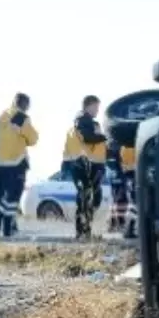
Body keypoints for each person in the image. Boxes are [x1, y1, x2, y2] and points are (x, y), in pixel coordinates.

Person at [0, 93, 38, 238]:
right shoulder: (22, 118)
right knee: (14, 196)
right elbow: (33, 139)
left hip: (1, 161)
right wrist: (24, 134)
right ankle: (6, 227)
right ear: (25, 104)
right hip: (16, 161)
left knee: (8, 194)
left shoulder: (3, 115)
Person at [64, 95, 108, 241]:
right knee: (85, 197)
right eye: (96, 107)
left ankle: (85, 230)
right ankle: (83, 232)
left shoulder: (89, 122)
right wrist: (104, 136)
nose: (97, 110)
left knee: (92, 198)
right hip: (85, 165)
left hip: (92, 165)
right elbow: (87, 138)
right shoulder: (83, 120)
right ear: (89, 106)